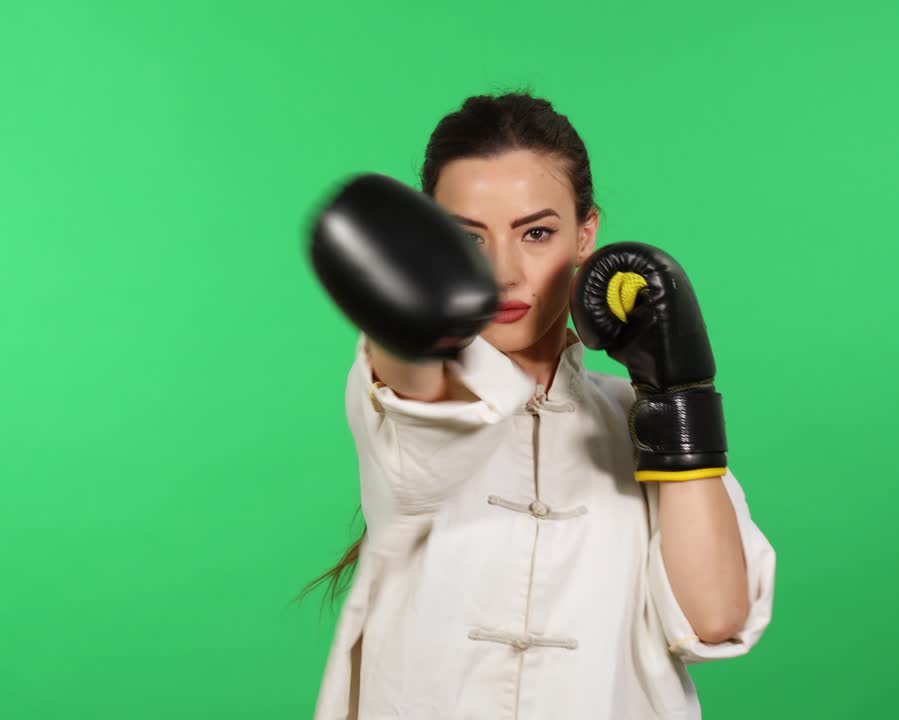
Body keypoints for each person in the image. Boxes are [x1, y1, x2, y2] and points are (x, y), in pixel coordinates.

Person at [305, 91, 776, 720]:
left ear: (586, 235)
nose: (503, 272)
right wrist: (406, 316)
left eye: (536, 232)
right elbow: (418, 398)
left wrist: (676, 397)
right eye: (465, 239)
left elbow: (713, 621)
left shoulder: (635, 415)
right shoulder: (402, 396)